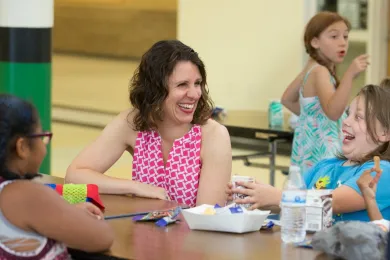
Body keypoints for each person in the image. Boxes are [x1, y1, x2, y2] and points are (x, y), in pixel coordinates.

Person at [65, 40, 232, 207]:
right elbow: (74, 176)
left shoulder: (214, 136)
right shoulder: (132, 122)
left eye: (197, 83)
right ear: (155, 89)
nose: (195, 94)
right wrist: (135, 187)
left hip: (192, 233)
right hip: (144, 231)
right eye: (182, 85)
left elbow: (208, 216)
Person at [227, 83, 390, 222]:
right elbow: (292, 203)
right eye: (348, 114)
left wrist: (276, 195)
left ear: (384, 133)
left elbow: (335, 202)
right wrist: (254, 194)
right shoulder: (325, 166)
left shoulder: (381, 171)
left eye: (358, 117)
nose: (346, 121)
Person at [0, 94, 114, 259]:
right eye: (42, 137)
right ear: (22, 147)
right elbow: (103, 237)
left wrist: (65, 213)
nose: (44, 145)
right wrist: (72, 215)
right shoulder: (25, 195)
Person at [281, 11, 369, 174]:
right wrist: (350, 75)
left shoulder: (314, 69)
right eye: (334, 37)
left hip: (309, 153)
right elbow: (334, 112)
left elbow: (287, 99)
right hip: (322, 156)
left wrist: (314, 118)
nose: (342, 43)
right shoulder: (320, 72)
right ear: (315, 42)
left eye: (345, 37)